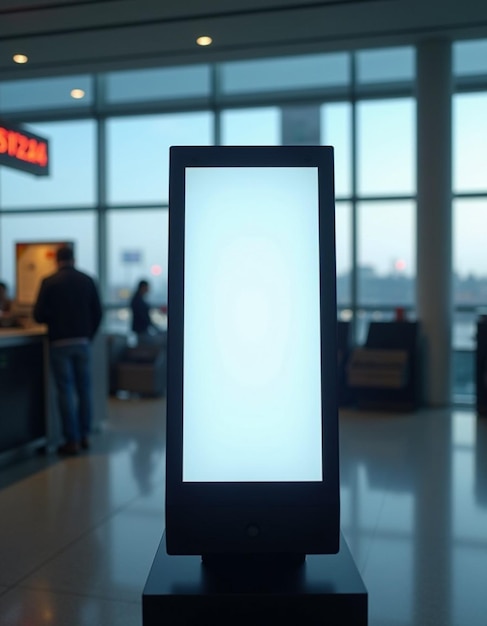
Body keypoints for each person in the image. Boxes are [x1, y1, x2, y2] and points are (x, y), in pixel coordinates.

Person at [33, 246, 103, 456]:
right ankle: (85, 436)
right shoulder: (87, 280)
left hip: (60, 343)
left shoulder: (49, 282)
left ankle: (70, 440)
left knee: (65, 391)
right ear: (74, 258)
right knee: (84, 390)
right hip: (82, 342)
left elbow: (38, 315)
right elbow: (98, 312)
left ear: (57, 260)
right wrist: (88, 335)